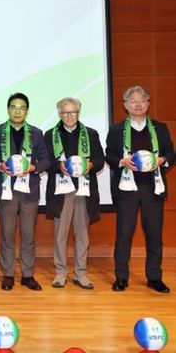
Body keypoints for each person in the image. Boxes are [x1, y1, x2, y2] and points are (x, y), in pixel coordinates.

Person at [105, 86, 174, 293]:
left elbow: (171, 154)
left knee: (154, 234)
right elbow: (109, 155)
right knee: (124, 234)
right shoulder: (116, 130)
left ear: (148, 104)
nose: (138, 104)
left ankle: (154, 277)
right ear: (125, 105)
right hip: (127, 189)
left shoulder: (159, 128)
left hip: (153, 187)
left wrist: (162, 160)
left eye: (142, 100)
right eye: (133, 101)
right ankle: (121, 277)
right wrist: (122, 162)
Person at [0, 92, 50, 291]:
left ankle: (27, 275)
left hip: (29, 190)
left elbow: (46, 160)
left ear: (27, 111)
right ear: (8, 110)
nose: (17, 111)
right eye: (13, 107)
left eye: (21, 108)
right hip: (7, 189)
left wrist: (34, 167)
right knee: (7, 234)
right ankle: (8, 274)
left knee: (28, 235)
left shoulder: (36, 133)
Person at [44, 98, 104, 290]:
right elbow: (45, 161)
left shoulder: (91, 134)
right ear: (59, 114)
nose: (70, 116)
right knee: (60, 234)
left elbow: (100, 160)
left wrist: (91, 164)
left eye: (73, 112)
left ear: (78, 113)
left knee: (82, 234)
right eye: (65, 112)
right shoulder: (50, 135)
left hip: (84, 190)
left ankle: (81, 273)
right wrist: (58, 165)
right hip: (61, 191)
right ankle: (61, 272)